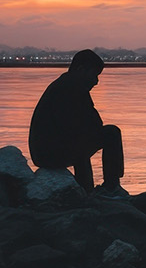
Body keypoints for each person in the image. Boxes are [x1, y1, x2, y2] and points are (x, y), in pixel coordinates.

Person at [29, 49, 127, 198]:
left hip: (45, 151)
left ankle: (88, 189)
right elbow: (92, 124)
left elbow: (89, 124)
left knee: (82, 140)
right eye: (94, 75)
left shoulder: (66, 84)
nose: (96, 81)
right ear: (81, 70)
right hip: (50, 152)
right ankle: (111, 186)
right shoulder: (72, 88)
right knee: (111, 133)